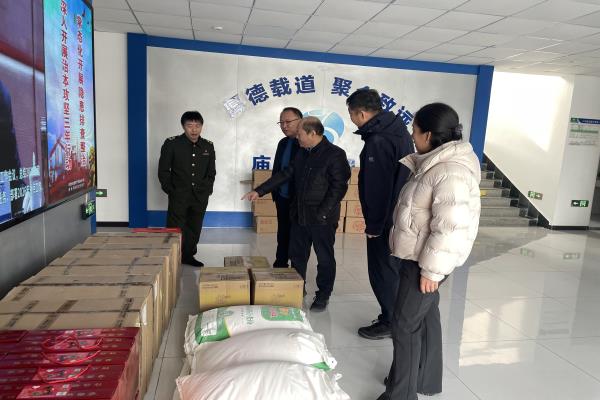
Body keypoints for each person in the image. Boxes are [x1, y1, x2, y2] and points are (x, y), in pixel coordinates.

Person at [378, 103, 481, 400]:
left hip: (425, 261)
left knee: (404, 325)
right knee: (424, 317)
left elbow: (450, 225)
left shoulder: (449, 171)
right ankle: (423, 378)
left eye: (414, 130)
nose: (412, 136)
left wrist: (432, 271)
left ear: (428, 134)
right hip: (420, 256)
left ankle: (401, 394)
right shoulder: (435, 163)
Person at [242, 116, 350, 312]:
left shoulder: (335, 155)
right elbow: (285, 174)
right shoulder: (302, 153)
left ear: (312, 133)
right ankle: (297, 288)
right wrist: (259, 190)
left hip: (322, 219)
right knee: (297, 256)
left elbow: (338, 188)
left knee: (324, 258)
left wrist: (322, 213)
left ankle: (323, 295)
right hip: (299, 214)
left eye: (299, 134)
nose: (297, 138)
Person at [347, 88, 414, 340]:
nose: (352, 119)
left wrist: (374, 225)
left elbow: (377, 188)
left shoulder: (378, 140)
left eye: (351, 114)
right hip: (398, 215)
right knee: (393, 269)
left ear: (361, 113)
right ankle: (395, 316)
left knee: (382, 271)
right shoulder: (398, 132)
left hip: (384, 220)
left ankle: (390, 321)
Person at [158, 111, 216, 267]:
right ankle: (172, 256)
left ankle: (188, 256)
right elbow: (163, 170)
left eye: (197, 125)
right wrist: (171, 190)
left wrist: (207, 190)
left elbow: (211, 172)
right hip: (179, 194)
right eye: (190, 125)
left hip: (200, 196)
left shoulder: (208, 146)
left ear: (202, 126)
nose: (194, 129)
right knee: (175, 227)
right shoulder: (172, 144)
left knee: (194, 227)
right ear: (183, 126)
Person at [271, 107, 301, 268]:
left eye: (288, 122)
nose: (284, 126)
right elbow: (278, 170)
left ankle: (297, 269)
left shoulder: (305, 143)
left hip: (298, 199)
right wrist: (275, 193)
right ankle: (280, 262)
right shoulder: (283, 143)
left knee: (297, 235)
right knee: (282, 232)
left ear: (300, 121)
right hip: (282, 196)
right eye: (281, 122)